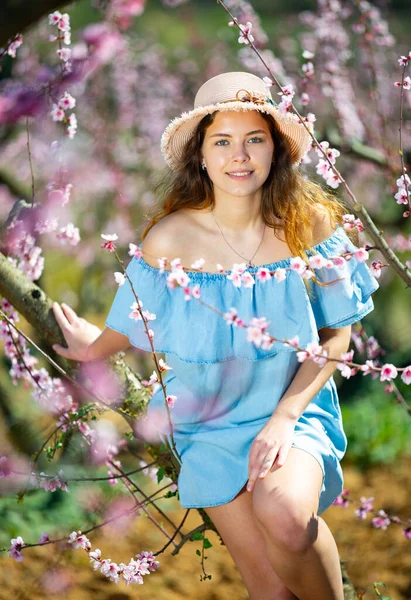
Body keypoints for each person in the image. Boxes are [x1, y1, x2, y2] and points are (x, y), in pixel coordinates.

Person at [52, 72, 379, 600]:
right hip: (207, 423)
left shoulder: (310, 224)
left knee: (287, 517)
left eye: (255, 140)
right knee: (270, 593)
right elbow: (136, 316)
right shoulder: (171, 237)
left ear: (276, 150)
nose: (239, 156)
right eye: (222, 142)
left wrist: (284, 418)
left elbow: (336, 339)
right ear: (200, 155)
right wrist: (91, 349)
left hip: (291, 409)